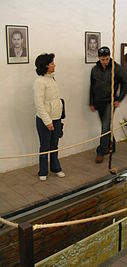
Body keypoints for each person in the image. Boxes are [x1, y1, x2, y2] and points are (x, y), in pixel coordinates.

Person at [89, 46, 127, 163]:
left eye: (107, 59)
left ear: (109, 57)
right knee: (106, 126)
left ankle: (101, 151)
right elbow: (92, 87)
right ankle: (113, 145)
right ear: (99, 58)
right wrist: (91, 102)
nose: (105, 61)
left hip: (110, 102)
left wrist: (119, 99)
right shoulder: (94, 70)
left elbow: (126, 85)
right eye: (103, 59)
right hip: (98, 102)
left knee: (105, 127)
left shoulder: (116, 69)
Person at [34, 53, 65, 181]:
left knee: (54, 145)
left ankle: (55, 167)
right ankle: (43, 171)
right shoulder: (39, 82)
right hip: (45, 120)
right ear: (46, 66)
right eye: (52, 63)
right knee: (45, 146)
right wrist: (47, 121)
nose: (54, 65)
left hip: (57, 117)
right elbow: (39, 105)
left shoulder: (52, 78)